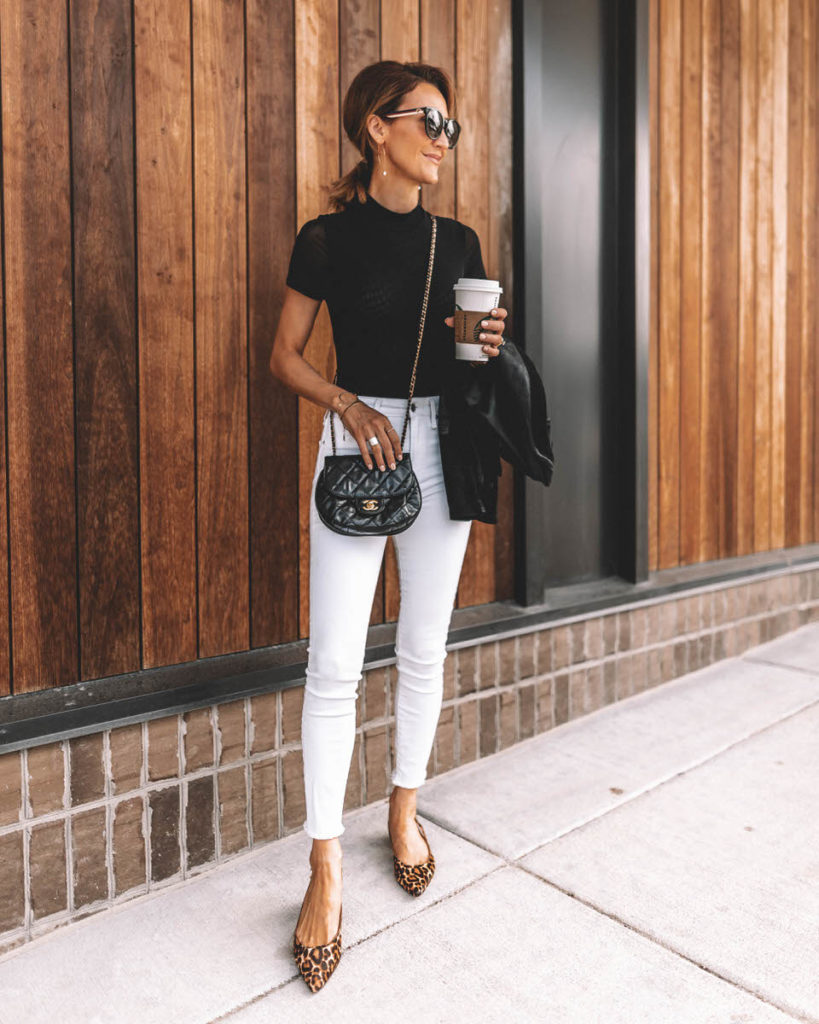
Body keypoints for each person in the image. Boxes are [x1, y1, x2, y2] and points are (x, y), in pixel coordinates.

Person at [269, 59, 507, 992]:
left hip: (440, 447)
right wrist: (346, 403)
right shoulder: (325, 240)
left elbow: (469, 361)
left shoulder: (460, 241)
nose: (444, 140)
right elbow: (282, 356)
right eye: (430, 122)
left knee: (421, 648)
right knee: (333, 662)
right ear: (378, 128)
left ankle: (403, 811)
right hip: (355, 445)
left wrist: (488, 346)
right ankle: (324, 867)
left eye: (452, 127)